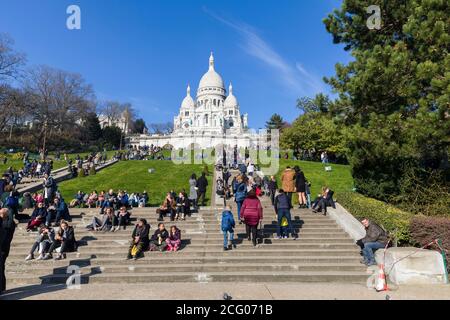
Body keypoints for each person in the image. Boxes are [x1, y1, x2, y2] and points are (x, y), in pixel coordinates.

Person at [0, 207, 15, 294]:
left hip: (3, 248)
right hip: (3, 247)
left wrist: (2, 249)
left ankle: (2, 287)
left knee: (1, 267)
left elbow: (6, 238)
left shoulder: (9, 223)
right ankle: (2, 287)